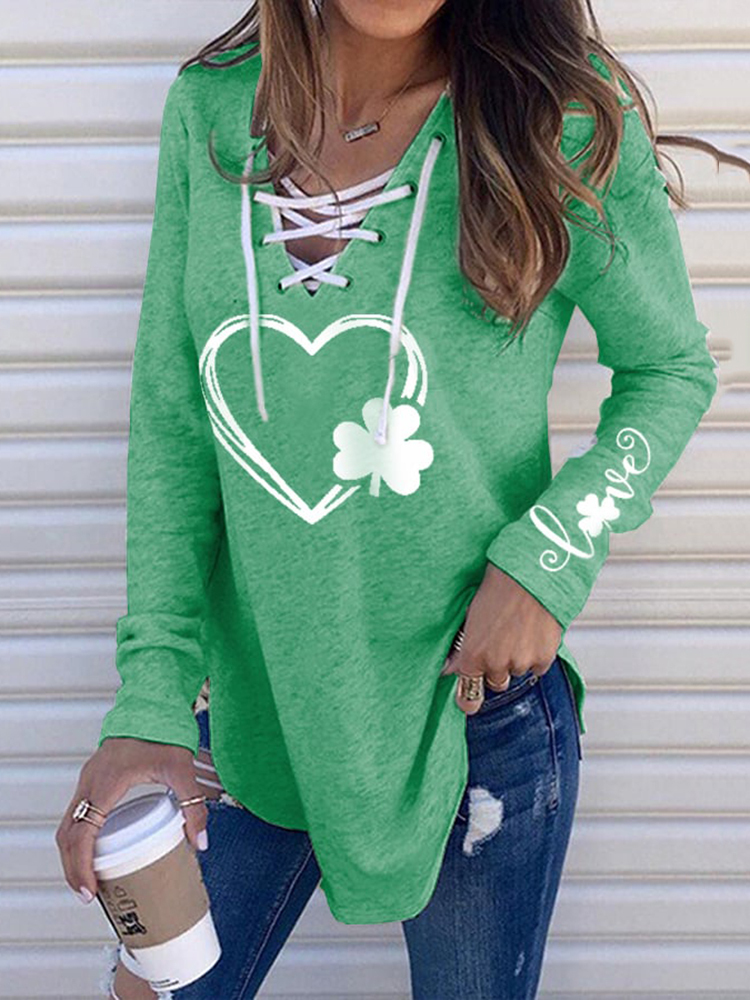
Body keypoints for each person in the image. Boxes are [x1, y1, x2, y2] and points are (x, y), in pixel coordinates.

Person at [55, 1, 738, 997]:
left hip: (472, 712)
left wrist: (547, 559)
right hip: (252, 711)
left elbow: (670, 368)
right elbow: (174, 426)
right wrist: (150, 696)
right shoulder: (210, 113)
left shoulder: (555, 120)